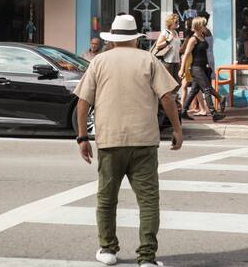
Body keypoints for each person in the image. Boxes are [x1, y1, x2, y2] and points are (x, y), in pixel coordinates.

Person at [73, 14, 182, 267]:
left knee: (107, 198)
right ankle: (147, 258)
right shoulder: (149, 59)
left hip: (110, 141)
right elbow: (167, 97)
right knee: (148, 201)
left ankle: (108, 249)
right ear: (135, 38)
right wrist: (177, 129)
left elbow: (83, 102)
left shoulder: (99, 62)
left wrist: (81, 137)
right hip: (144, 141)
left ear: (112, 39)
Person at [179, 16, 226, 122]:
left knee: (194, 90)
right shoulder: (193, 39)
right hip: (196, 68)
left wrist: (209, 65)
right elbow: (186, 54)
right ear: (199, 26)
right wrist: (182, 69)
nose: (205, 27)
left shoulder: (203, 36)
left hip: (203, 67)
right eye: (203, 25)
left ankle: (183, 111)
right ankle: (214, 114)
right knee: (207, 89)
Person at [155, 13, 181, 83]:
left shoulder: (175, 32)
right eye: (176, 22)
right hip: (167, 61)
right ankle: (170, 94)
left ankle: (173, 94)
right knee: (169, 83)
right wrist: (168, 40)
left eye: (178, 22)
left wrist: (179, 60)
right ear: (170, 22)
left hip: (176, 61)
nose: (177, 23)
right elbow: (158, 45)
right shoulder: (165, 32)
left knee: (178, 82)